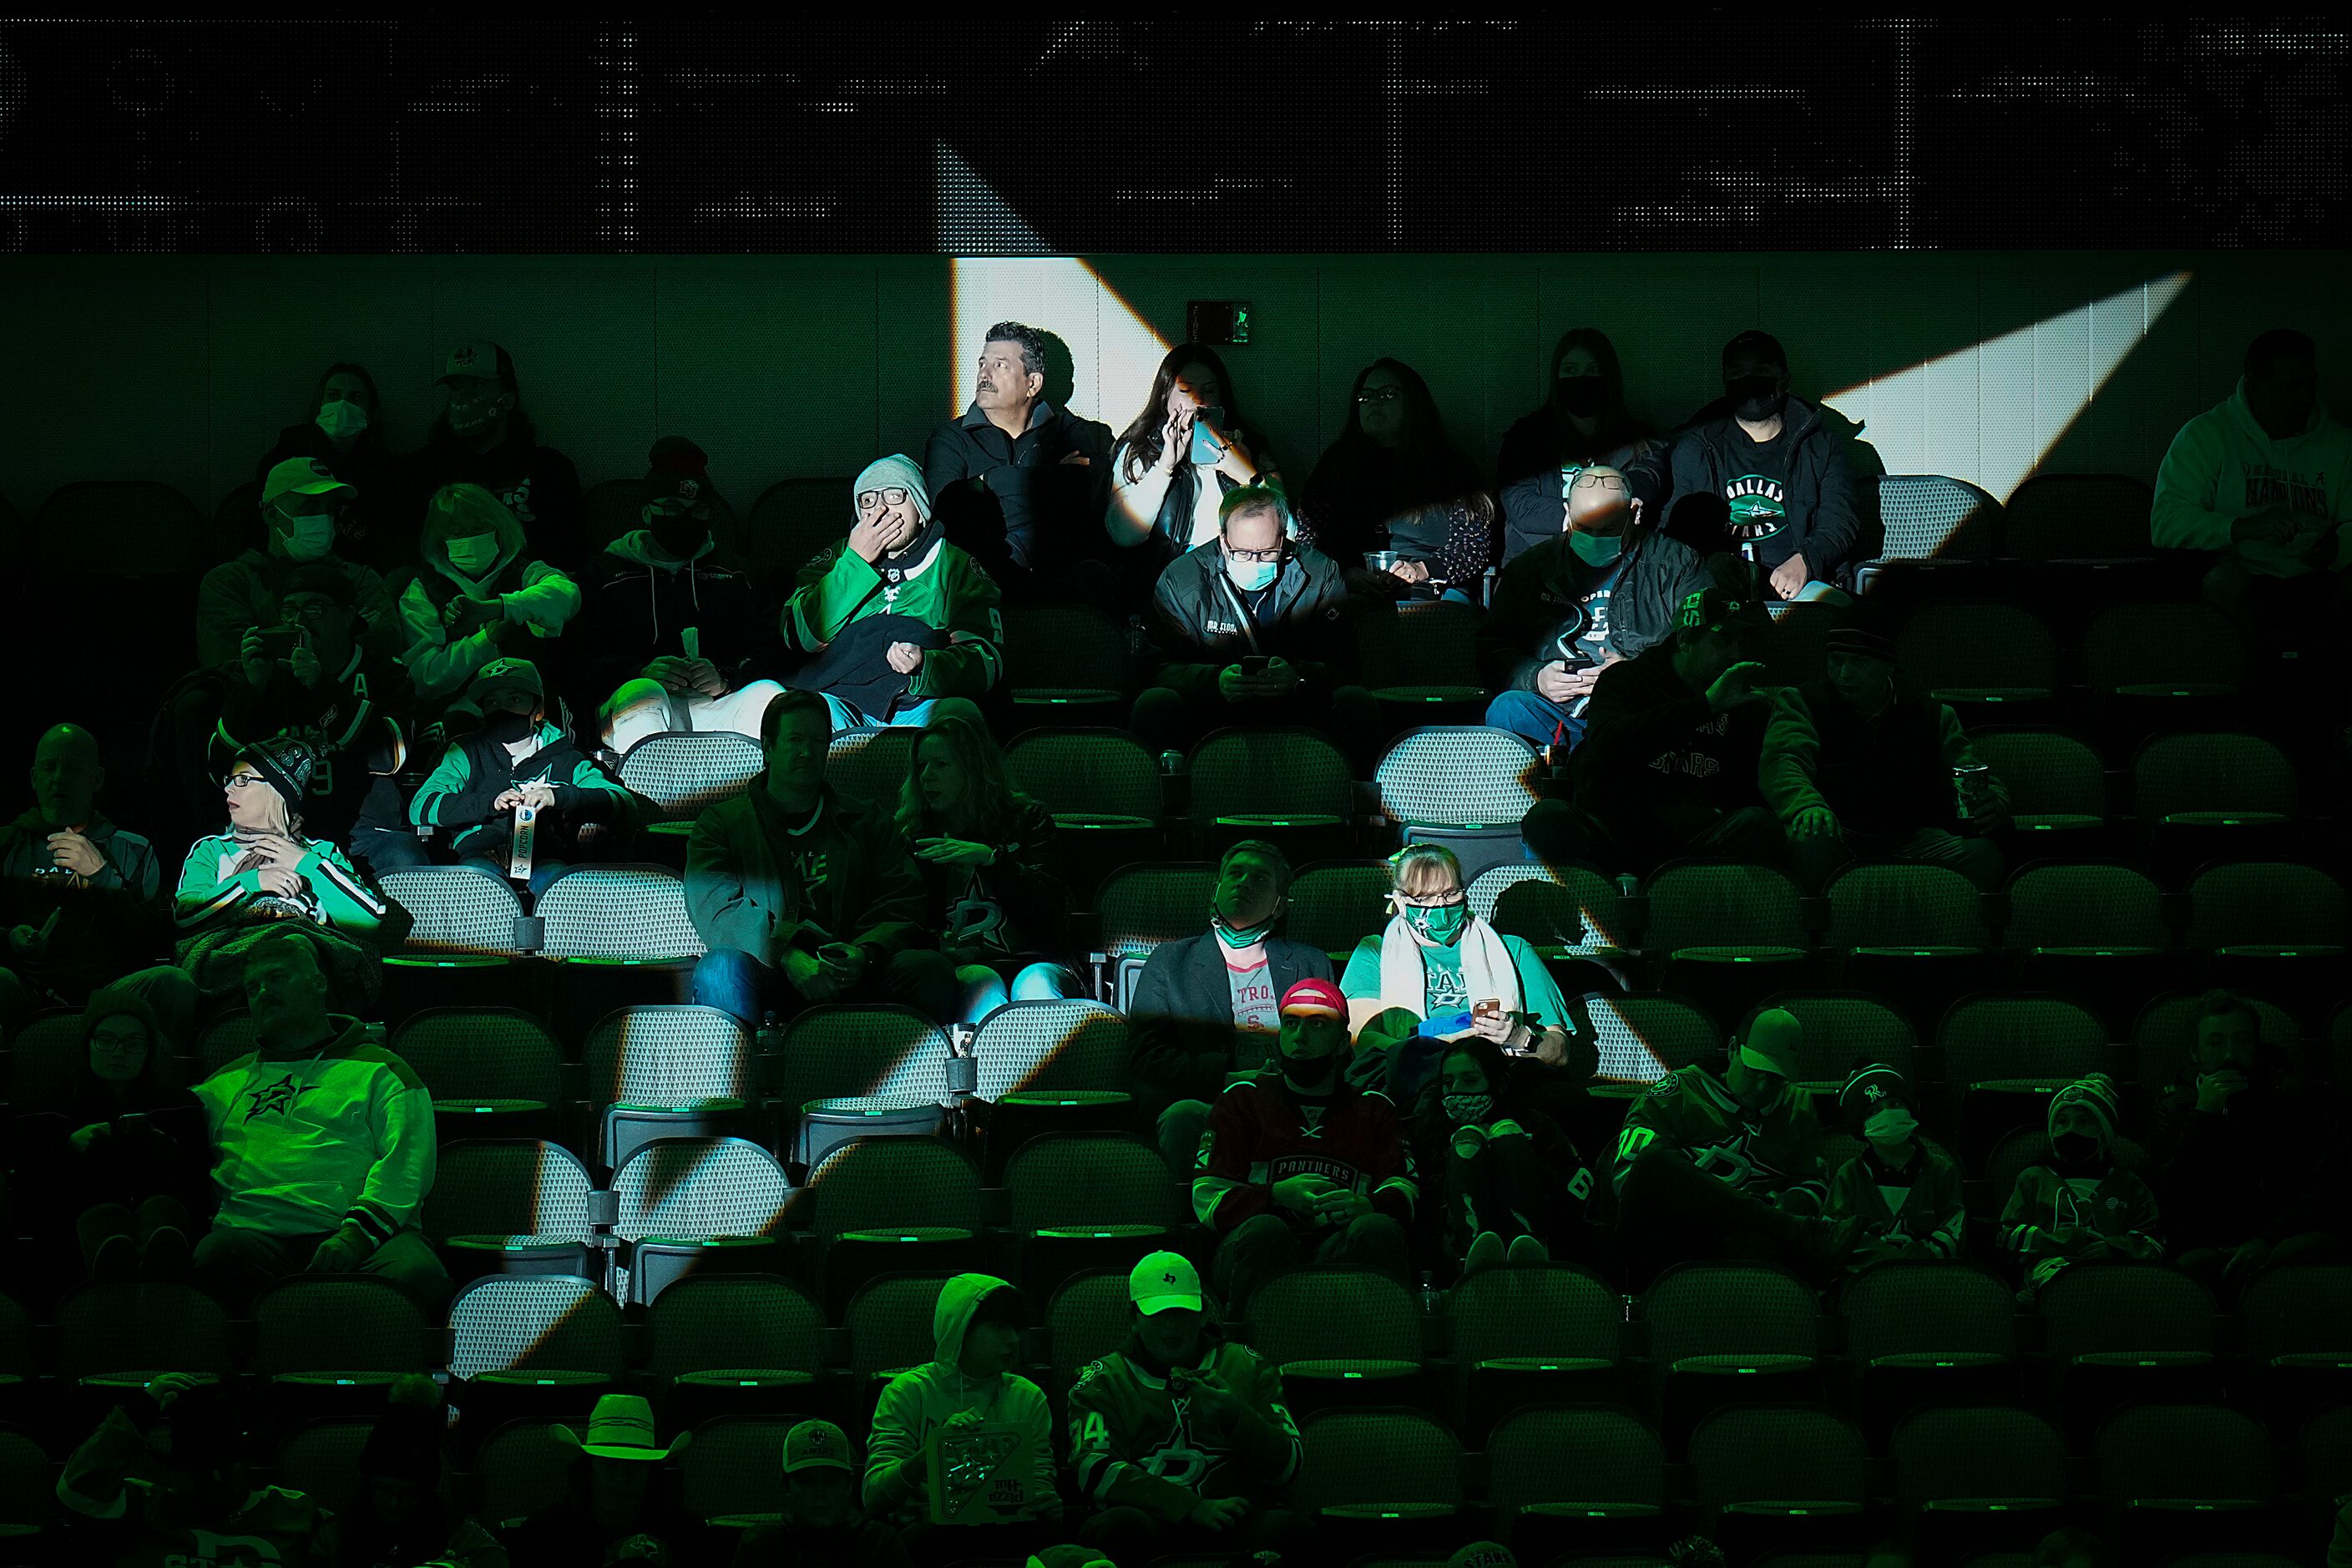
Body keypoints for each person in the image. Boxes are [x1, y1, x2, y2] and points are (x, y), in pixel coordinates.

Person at [190, 927, 447, 1313]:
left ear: (318, 983)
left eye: (277, 978)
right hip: (254, 1239)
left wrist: (353, 1238)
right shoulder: (222, 1086)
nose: (264, 993)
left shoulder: (383, 1071)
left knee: (418, 1275)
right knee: (214, 1257)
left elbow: (407, 1166)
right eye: (253, 988)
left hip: (362, 1237)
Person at [686, 690, 955, 1025]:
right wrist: (786, 952)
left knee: (929, 969)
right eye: (795, 739)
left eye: (817, 741)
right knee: (720, 968)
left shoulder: (866, 820)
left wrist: (865, 953)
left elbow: (901, 897)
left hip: (852, 969)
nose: (807, 752)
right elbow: (716, 906)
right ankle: (743, 1074)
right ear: (768, 748)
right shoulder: (722, 823)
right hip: (771, 970)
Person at [1519, 587, 1781, 878]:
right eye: (1723, 641)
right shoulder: (1627, 680)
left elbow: (1744, 785)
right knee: (1548, 818)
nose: (1735, 654)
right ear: (1685, 640)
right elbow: (1609, 747)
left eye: (1740, 642)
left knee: (1758, 824)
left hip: (1691, 847)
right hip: (1619, 835)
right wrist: (1705, 706)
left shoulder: (1741, 697)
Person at [1194, 978, 1418, 1318]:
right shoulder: (1242, 1100)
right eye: (1292, 1024)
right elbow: (1207, 1198)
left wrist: (1367, 1204)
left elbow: (1407, 1189)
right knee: (1265, 1231)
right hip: (1257, 1247)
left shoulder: (1375, 1109)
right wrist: (1275, 1196)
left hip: (1340, 1245)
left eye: (1317, 1025)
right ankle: (1250, 1351)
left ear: (1344, 1042)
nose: (1300, 1037)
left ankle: (1380, 1348)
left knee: (1376, 1228)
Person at [1067, 1251, 1304, 1562]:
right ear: (1133, 1319)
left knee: (1291, 1529)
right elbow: (1091, 1469)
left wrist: (1237, 1418)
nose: (1172, 1325)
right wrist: (1188, 1506)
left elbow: (1289, 1465)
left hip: (1233, 1516)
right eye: (1159, 1313)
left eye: (1182, 1312)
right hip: (1150, 1521)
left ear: (1204, 1314)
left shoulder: (1246, 1365)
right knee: (1114, 1527)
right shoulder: (1103, 1380)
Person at [1760, 603, 2007, 893]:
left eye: (1860, 663)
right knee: (1810, 844)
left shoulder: (1933, 715)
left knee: (1981, 857)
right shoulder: (1802, 702)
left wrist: (1995, 803)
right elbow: (1783, 762)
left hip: (1909, 836)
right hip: (1837, 831)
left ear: (1889, 664)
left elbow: (1968, 771)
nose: (1844, 674)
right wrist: (1806, 804)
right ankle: (1816, 934)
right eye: (1836, 660)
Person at [1127, 841, 1334, 1171]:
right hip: (1208, 1103)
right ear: (1216, 891)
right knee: (1184, 1115)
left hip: (1293, 1105)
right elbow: (1146, 1056)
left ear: (1280, 906)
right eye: (1235, 874)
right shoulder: (1171, 962)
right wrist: (1231, 1075)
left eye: (1260, 878)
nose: (1244, 883)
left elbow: (1334, 1047)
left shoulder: (1310, 963)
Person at [1478, 463, 1712, 752]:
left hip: (1642, 707)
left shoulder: (1674, 563)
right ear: (1568, 512)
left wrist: (1636, 672)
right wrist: (1535, 677)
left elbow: (1706, 643)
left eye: (1608, 530)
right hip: (1561, 711)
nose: (1595, 539)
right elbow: (1492, 647)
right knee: (1508, 709)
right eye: (1584, 528)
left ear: (1634, 514)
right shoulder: (1531, 569)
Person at [1129, 483, 1370, 759]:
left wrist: (1299, 677)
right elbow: (1156, 668)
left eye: (1267, 553)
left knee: (1354, 701)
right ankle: (1166, 796)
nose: (1254, 561)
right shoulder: (1182, 579)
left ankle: (1350, 795)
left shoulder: (1320, 573)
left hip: (1297, 705)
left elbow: (1346, 663)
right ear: (1223, 540)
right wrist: (1215, 681)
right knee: (1156, 703)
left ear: (1283, 540)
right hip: (1211, 708)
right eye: (1241, 553)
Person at [573, 446, 783, 756]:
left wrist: (727, 676)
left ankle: (755, 800)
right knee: (642, 695)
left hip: (719, 702)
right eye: (672, 507)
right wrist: (637, 671)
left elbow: (773, 648)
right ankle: (651, 800)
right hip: (636, 698)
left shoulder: (739, 574)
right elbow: (578, 657)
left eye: (697, 509)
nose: (685, 518)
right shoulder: (603, 575)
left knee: (770, 696)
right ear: (647, 511)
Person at [167, 736, 397, 1014]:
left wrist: (306, 863)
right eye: (229, 779)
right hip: (231, 969)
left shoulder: (320, 853)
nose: (228, 788)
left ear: (277, 791)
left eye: (242, 780)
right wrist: (251, 883)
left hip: (309, 974)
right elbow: (185, 916)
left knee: (297, 944)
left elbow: (368, 920)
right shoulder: (212, 851)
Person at [2152, 328, 2352, 642]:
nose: (2306, 398)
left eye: (2311, 384)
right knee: (2226, 581)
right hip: (2243, 575)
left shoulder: (2341, 445)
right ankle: (2247, 682)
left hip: (2320, 578)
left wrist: (2338, 546)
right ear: (2255, 387)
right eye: (2292, 387)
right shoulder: (2207, 436)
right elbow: (2166, 522)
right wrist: (2240, 527)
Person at [781, 458, 1004, 732]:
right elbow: (800, 637)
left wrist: (927, 665)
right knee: (797, 716)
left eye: (894, 495)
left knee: (958, 716)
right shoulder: (836, 559)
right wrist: (856, 563)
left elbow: (985, 661)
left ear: (920, 509)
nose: (881, 509)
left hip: (921, 702)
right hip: (838, 697)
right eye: (868, 500)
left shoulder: (954, 566)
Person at [1611, 1008, 1828, 1288]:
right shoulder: (1677, 1092)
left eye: (1775, 1078)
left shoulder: (1797, 1105)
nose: (1762, 1086)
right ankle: (1774, 1220)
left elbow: (1813, 1185)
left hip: (1749, 1241)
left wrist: (1782, 1203)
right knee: (1653, 1161)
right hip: (1673, 1232)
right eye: (1754, 1070)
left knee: (1761, 1251)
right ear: (1733, 1049)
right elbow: (1629, 1178)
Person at [377, 657, 635, 894]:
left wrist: (561, 796)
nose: (501, 709)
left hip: (546, 857)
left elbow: (624, 804)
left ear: (539, 709)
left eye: (514, 700)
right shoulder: (465, 752)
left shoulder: (566, 756)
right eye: (491, 702)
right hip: (478, 854)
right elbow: (421, 807)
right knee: (479, 882)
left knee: (559, 883)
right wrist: (490, 802)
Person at [1340, 844, 1575, 1103]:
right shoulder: (1375, 952)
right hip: (1413, 1082)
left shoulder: (1513, 951)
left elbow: (1559, 1051)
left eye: (1450, 894)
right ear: (1400, 901)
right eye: (1425, 898)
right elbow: (1361, 1039)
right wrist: (1436, 1048)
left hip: (1499, 1081)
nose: (1440, 906)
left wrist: (1519, 1037)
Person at [208, 562, 412, 855]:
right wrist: (253, 691)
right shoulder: (268, 678)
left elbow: (390, 755)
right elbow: (219, 769)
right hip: (279, 833)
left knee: (404, 852)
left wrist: (321, 686)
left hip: (366, 832)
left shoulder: (385, 674)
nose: (299, 620)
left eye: (314, 608)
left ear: (347, 614)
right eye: (289, 611)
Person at [2146, 989, 2343, 1292]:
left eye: (2242, 1041)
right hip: (2208, 1241)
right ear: (2195, 1052)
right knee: (2190, 1268)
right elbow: (2170, 1194)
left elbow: (2316, 1185)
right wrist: (2203, 1116)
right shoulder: (2173, 1107)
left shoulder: (2286, 1096)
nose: (2230, 1054)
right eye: (2216, 1042)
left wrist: (2266, 1239)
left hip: (2276, 1236)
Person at [895, 712, 1079, 1023]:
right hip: (969, 965)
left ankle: (1048, 1068)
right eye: (921, 765)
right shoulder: (915, 836)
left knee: (1037, 985)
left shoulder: (1028, 820)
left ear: (973, 769)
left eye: (940, 765)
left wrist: (992, 860)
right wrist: (941, 944)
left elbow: (1049, 910)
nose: (926, 777)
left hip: (1036, 958)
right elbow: (905, 921)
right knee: (983, 983)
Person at [863, 1275, 1061, 1555]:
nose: (1013, 1340)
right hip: (928, 1533)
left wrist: (1044, 1501)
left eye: (1015, 1329)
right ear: (960, 1329)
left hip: (1006, 1532)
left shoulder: (1027, 1396)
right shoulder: (908, 1392)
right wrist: (935, 1448)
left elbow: (1039, 1480)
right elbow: (875, 1496)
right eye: (1000, 1327)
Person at [57, 1372, 336, 1567]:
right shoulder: (144, 1506)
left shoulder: (297, 1512)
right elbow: (76, 1487)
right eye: (200, 1468)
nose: (215, 1477)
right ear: (177, 1471)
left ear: (246, 1461)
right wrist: (139, 1411)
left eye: (223, 1465)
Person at [28, 987, 211, 1284]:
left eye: (133, 1043)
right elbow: (32, 1195)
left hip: (168, 1229)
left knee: (161, 1210)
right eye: (106, 1040)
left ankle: (157, 1247)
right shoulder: (49, 1113)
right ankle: (107, 1249)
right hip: (74, 1246)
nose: (119, 1052)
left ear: (149, 1049)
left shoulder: (180, 1108)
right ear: (88, 1043)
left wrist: (167, 1146)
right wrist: (69, 1149)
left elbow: (202, 1185)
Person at [1665, 330, 1864, 598]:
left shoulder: (1821, 447)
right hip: (1717, 587)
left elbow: (1840, 522)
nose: (1749, 382)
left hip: (1803, 584)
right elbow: (1674, 530)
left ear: (1785, 380)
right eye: (1738, 374)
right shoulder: (1696, 448)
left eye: (1762, 370)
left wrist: (1805, 561)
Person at [923, 321, 1114, 597]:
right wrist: (1053, 478)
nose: (984, 374)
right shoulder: (951, 438)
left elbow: (1088, 502)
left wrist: (985, 483)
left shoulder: (1074, 433)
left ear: (1033, 383)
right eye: (982, 364)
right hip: (981, 590)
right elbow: (946, 515)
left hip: (1061, 589)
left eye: (999, 365)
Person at [0, 722, 169, 1028]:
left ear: (96, 780)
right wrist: (8, 938)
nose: (59, 779)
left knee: (171, 982)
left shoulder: (134, 849)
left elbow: (149, 944)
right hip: (24, 985)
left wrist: (102, 876)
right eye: (49, 768)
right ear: (34, 778)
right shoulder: (6, 845)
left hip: (111, 992)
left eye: (74, 769)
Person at [1409, 1035, 1599, 1279]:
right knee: (1468, 1143)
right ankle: (1474, 1261)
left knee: (1506, 1137)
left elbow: (1579, 1190)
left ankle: (1527, 1255)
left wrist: (1511, 1154)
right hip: (1450, 1259)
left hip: (1546, 1242)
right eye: (1448, 1082)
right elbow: (1424, 1208)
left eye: (1470, 1080)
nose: (1456, 1090)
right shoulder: (1427, 1133)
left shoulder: (1537, 1127)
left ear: (1499, 1083)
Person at [1302, 358, 1490, 598]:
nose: (1374, 403)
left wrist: (1423, 569)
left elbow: (1472, 547)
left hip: (1435, 589)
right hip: (1352, 589)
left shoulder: (1451, 468)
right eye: (1366, 396)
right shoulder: (1336, 467)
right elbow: (1309, 541)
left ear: (1413, 402)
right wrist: (1345, 573)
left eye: (1388, 394)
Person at [397, 340, 587, 569]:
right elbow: (407, 554)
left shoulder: (550, 470)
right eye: (457, 387)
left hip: (524, 593)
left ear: (507, 399)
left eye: (476, 385)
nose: (463, 398)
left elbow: (568, 556)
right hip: (442, 595)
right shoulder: (421, 470)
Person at [196, 456, 400, 670]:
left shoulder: (358, 577)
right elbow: (232, 666)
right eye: (310, 507)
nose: (323, 517)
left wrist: (276, 640)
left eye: (330, 508)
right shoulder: (229, 582)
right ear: (271, 513)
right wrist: (347, 631)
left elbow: (389, 650)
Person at [397, 481, 581, 711]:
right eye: (459, 533)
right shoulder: (423, 590)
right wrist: (484, 639)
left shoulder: (525, 572)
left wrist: (498, 608)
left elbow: (567, 595)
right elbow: (424, 679)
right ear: (440, 539)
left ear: (499, 529)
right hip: (461, 715)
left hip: (535, 706)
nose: (471, 539)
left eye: (479, 529)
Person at [1107, 343, 1279, 571]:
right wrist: (1164, 467)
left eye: (1209, 391)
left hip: (1233, 580)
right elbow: (1124, 535)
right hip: (1164, 584)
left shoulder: (1250, 447)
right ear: (1165, 395)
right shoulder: (1140, 450)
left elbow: (1292, 535)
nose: (1199, 401)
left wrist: (1247, 475)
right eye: (1186, 391)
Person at [1999, 1072, 2162, 1302]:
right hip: (2048, 1279)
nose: (2070, 1130)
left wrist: (2115, 1249)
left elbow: (2154, 1242)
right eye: (2062, 1122)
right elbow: (2009, 1237)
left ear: (2104, 1134)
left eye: (2084, 1122)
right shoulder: (2033, 1178)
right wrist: (2066, 1241)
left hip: (2116, 1280)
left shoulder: (2129, 1184)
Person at [1495, 327, 1664, 539]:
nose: (1581, 379)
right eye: (1570, 369)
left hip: (1618, 560)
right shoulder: (1525, 437)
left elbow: (1647, 475)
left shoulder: (1638, 438)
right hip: (1542, 561)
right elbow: (1519, 503)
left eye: (1593, 370)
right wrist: (1583, 517)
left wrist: (1628, 495)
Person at [504, 1393, 701, 1568]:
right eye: (610, 1464)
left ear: (651, 1474)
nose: (622, 1477)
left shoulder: (687, 1536)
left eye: (635, 1465)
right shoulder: (543, 1535)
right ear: (587, 1470)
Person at [338, 1376, 508, 1568]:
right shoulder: (336, 1534)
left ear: (426, 1492)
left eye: (408, 1493)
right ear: (368, 1485)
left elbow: (493, 1558)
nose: (394, 1504)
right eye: (384, 1490)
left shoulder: (460, 1538)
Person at [258, 362, 402, 569]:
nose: (342, 405)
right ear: (319, 404)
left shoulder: (383, 472)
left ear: (371, 413)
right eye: (333, 396)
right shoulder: (286, 457)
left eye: (355, 398)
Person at [1824, 1061, 1964, 1273]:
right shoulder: (1849, 1176)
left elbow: (1955, 1229)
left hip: (1931, 1281)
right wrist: (1883, 1260)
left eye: (1895, 1104)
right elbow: (1834, 1236)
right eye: (1873, 1111)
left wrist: (1914, 1260)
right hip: (1865, 1285)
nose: (1887, 1114)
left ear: (1910, 1107)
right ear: (1861, 1126)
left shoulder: (1941, 1171)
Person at [731, 1419, 908, 1568]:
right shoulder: (760, 1547)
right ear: (786, 1486)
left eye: (831, 1480)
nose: (820, 1493)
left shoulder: (879, 1544)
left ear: (849, 1485)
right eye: (807, 1482)